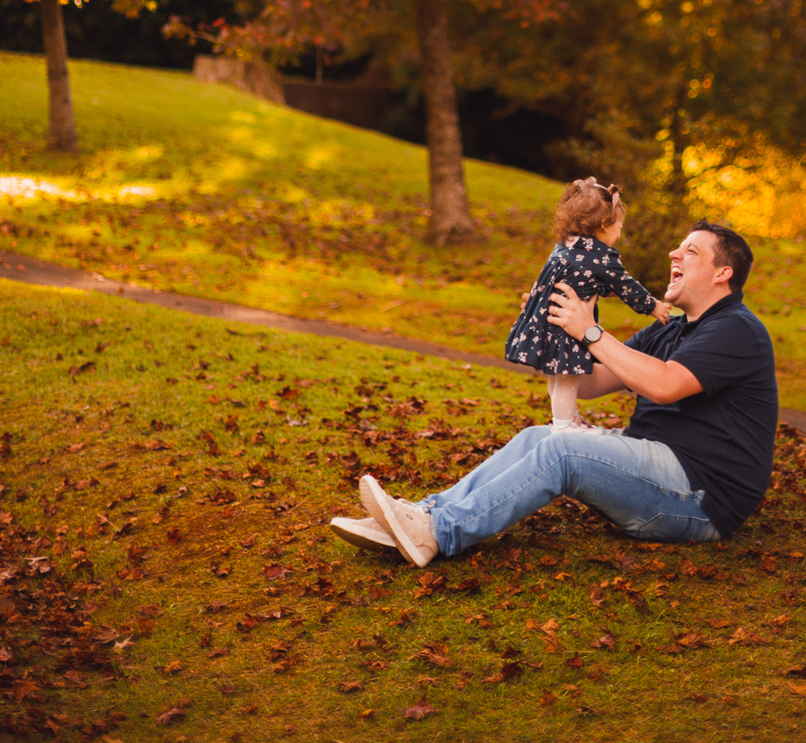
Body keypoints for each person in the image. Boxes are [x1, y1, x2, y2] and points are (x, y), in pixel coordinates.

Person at [330, 221, 777, 567]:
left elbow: (663, 385)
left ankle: (437, 533)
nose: (673, 253)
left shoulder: (737, 329)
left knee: (563, 451)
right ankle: (420, 517)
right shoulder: (671, 330)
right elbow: (590, 384)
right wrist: (555, 332)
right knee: (538, 437)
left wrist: (591, 330)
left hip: (699, 497)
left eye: (690, 251)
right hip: (660, 467)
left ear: (723, 273)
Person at [504, 177, 672, 429]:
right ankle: (564, 425)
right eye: (619, 227)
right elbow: (626, 285)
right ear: (604, 224)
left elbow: (582, 280)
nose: (619, 233)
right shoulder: (602, 256)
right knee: (569, 378)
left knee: (557, 374)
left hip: (549, 319)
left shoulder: (564, 246)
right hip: (568, 327)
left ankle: (565, 418)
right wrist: (653, 306)